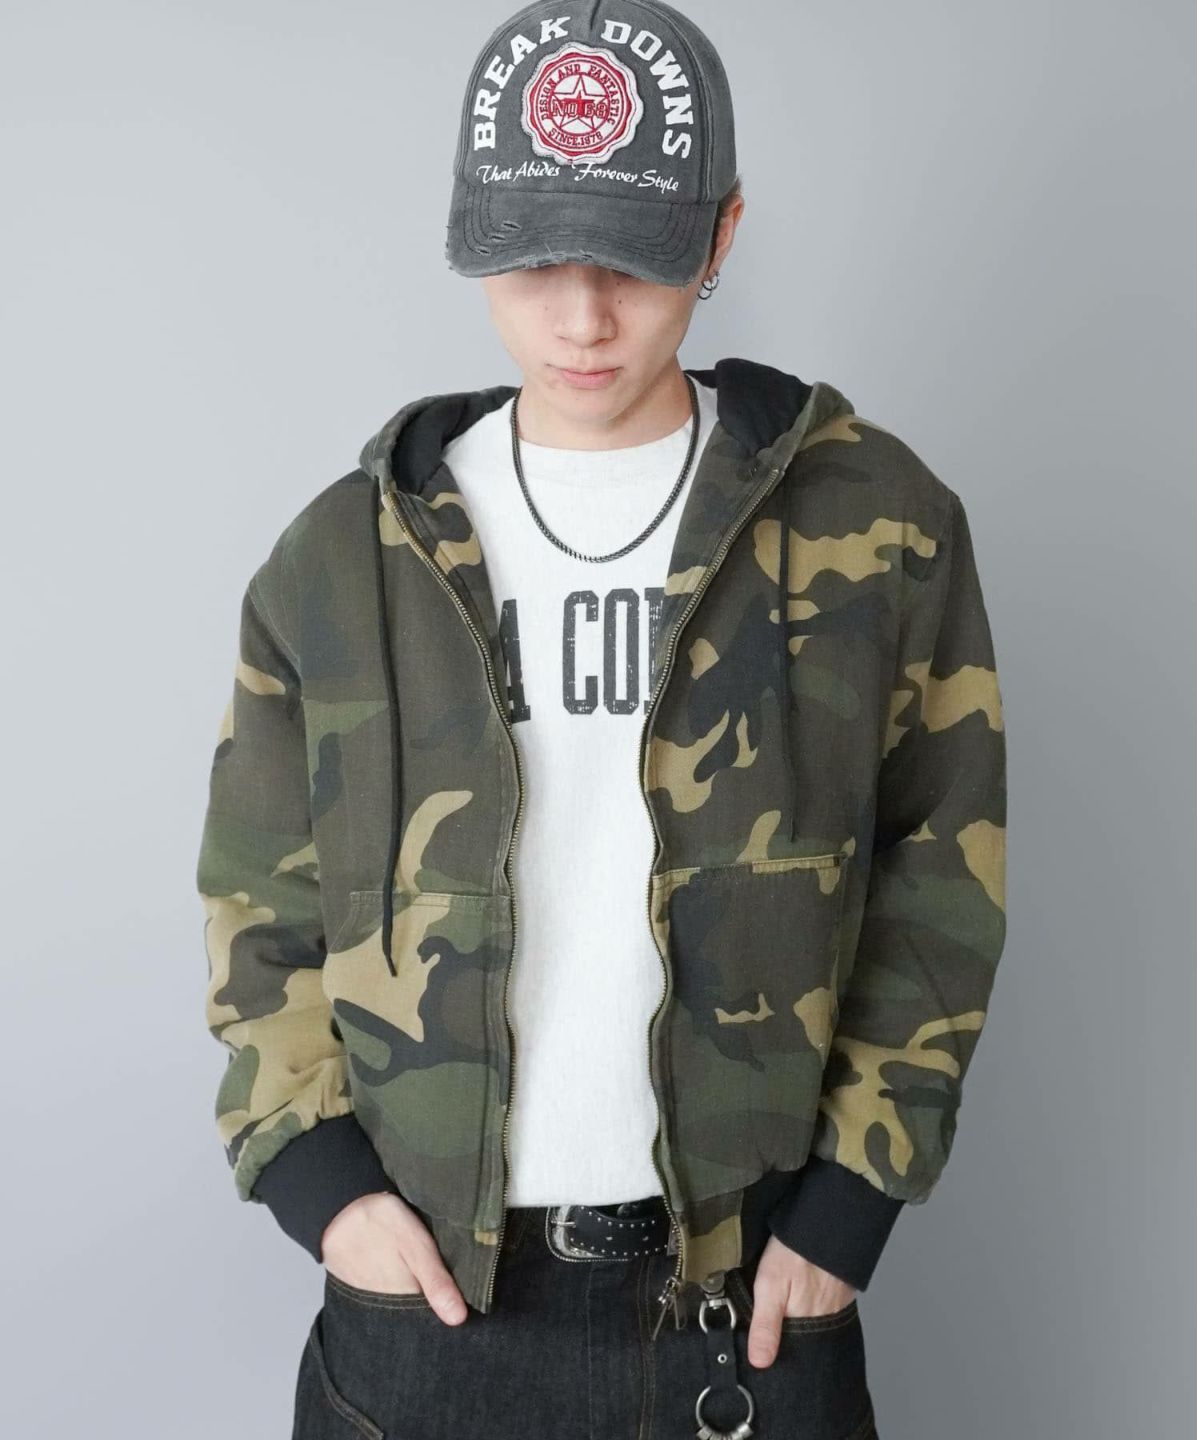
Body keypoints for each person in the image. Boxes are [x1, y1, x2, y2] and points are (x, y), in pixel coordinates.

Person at [196, 2, 1007, 1436]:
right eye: (532, 261)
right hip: (426, 1306)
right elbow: (259, 902)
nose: (582, 319)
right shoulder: (342, 560)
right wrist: (325, 1192)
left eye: (632, 260)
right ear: (468, 240)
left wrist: (851, 1204)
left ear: (721, 233)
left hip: (752, 1304)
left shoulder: (879, 527)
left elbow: (946, 871)